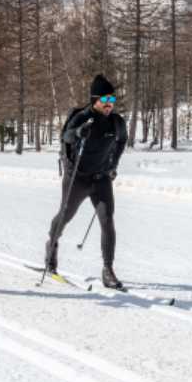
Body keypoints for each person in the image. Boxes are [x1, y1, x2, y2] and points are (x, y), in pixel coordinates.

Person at [45, 74, 128, 289]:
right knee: (66, 215)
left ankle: (108, 270)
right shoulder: (82, 117)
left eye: (112, 101)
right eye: (105, 100)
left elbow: (122, 142)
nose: (110, 105)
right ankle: (51, 248)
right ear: (94, 100)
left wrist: (113, 165)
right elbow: (66, 136)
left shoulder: (116, 122)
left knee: (108, 221)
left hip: (101, 179)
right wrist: (79, 132)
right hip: (78, 178)